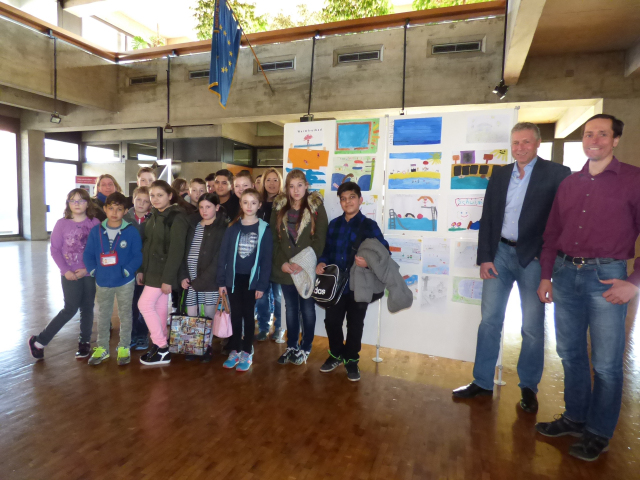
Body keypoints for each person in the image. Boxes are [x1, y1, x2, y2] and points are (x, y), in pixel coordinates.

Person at [535, 114, 640, 461]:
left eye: (602, 134)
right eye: (588, 134)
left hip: (607, 278)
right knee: (570, 354)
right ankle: (575, 417)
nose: (593, 139)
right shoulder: (569, 183)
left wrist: (634, 283)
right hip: (565, 274)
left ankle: (598, 432)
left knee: (608, 365)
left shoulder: (633, 180)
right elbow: (552, 233)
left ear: (615, 140)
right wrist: (547, 275)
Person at [452, 123, 571, 412]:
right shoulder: (501, 174)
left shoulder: (557, 174)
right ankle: (482, 381)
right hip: (500, 254)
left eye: (526, 142)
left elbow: (562, 222)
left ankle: (528, 387)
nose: (520, 147)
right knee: (489, 320)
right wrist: (485, 257)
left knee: (531, 327)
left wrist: (549, 265)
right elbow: (488, 217)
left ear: (538, 144)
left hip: (533, 258)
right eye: (515, 142)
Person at [316, 182, 389, 382]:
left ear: (360, 200)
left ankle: (351, 359)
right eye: (343, 198)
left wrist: (368, 261)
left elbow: (384, 252)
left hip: (360, 285)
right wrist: (321, 262)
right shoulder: (334, 225)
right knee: (331, 321)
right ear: (340, 202)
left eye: (352, 197)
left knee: (355, 324)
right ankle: (335, 354)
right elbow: (327, 250)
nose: (347, 201)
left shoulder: (369, 226)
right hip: (336, 286)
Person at [28, 189, 100, 361]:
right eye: (73, 200)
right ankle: (39, 341)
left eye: (81, 200)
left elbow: (99, 250)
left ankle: (84, 342)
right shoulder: (61, 224)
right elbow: (55, 250)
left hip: (89, 273)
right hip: (70, 275)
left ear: (88, 203)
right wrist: (66, 270)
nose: (77, 203)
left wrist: (88, 269)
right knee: (70, 308)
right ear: (68, 204)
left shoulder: (95, 223)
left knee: (88, 307)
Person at [272, 170, 328, 362]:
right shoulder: (279, 207)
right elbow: (273, 240)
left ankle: (306, 347)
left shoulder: (315, 207)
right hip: (287, 270)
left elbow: (320, 239)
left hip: (306, 269)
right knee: (290, 309)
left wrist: (303, 264)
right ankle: (291, 346)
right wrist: (283, 264)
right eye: (291, 186)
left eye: (299, 185)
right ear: (287, 188)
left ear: (306, 185)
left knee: (307, 309)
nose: (296, 190)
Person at [83, 192, 143, 366]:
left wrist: (127, 271)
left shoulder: (131, 231)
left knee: (125, 314)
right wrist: (94, 270)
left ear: (125, 211)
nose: (114, 212)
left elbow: (137, 255)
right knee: (103, 315)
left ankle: (124, 346)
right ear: (105, 209)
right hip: (103, 281)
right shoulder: (96, 231)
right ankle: (102, 347)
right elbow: (88, 254)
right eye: (111, 208)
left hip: (124, 281)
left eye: (119, 209)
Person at [217, 188, 273, 372]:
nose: (249, 206)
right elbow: (223, 255)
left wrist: (262, 284)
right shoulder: (233, 227)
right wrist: (221, 282)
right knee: (235, 314)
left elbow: (266, 260)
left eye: (253, 203)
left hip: (252, 281)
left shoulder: (264, 229)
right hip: (233, 280)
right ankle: (235, 349)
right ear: (240, 204)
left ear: (259, 205)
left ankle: (247, 351)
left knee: (249, 316)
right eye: (245, 202)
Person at [137, 180, 189, 365]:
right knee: (158, 308)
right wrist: (142, 270)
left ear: (170, 196)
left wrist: (168, 279)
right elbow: (147, 246)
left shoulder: (177, 217)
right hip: (151, 272)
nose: (155, 199)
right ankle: (160, 345)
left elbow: (176, 251)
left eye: (160, 195)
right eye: (152, 196)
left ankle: (162, 348)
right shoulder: (153, 217)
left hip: (164, 273)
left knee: (144, 305)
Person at [178, 192, 227, 362]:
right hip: (191, 280)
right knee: (192, 313)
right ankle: (193, 345)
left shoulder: (222, 229)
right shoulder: (194, 226)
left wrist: (202, 281)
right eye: (201, 207)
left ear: (217, 208)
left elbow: (219, 259)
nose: (204, 211)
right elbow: (184, 253)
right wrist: (183, 275)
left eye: (208, 207)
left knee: (208, 315)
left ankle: (206, 346)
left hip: (209, 281)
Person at [257, 168, 285, 342]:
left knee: (278, 296)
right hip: (259, 257)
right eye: (268, 180)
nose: (272, 183)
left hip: (277, 256)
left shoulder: (284, 204)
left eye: (275, 180)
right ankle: (263, 327)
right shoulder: (257, 202)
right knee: (261, 296)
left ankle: (280, 327)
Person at [123, 186, 152, 350]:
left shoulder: (152, 219)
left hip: (146, 269)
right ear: (133, 199)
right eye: (138, 199)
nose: (141, 203)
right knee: (129, 304)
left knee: (143, 304)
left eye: (146, 201)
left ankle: (142, 334)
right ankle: (130, 334)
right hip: (128, 269)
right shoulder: (125, 219)